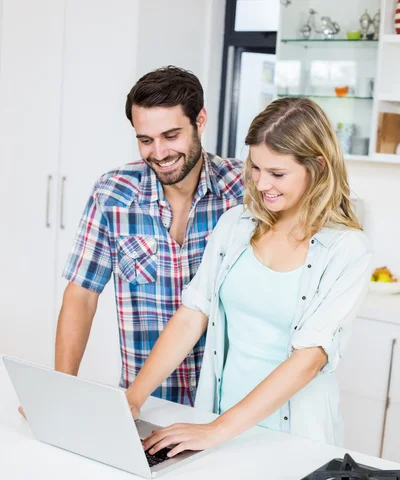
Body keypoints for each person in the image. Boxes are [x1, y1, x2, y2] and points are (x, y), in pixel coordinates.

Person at [125, 96, 372, 456]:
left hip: (290, 440)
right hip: (218, 425)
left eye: (277, 173)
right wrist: (133, 398)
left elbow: (309, 360)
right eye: (255, 168)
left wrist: (216, 431)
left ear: (317, 166)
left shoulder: (347, 250)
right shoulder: (236, 225)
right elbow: (192, 314)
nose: (261, 183)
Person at [56, 66, 243, 405]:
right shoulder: (113, 194)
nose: (158, 153)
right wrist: (60, 390)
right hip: (143, 401)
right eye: (145, 140)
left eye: (171, 136)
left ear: (200, 120)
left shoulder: (243, 191)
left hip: (227, 405)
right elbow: (81, 295)